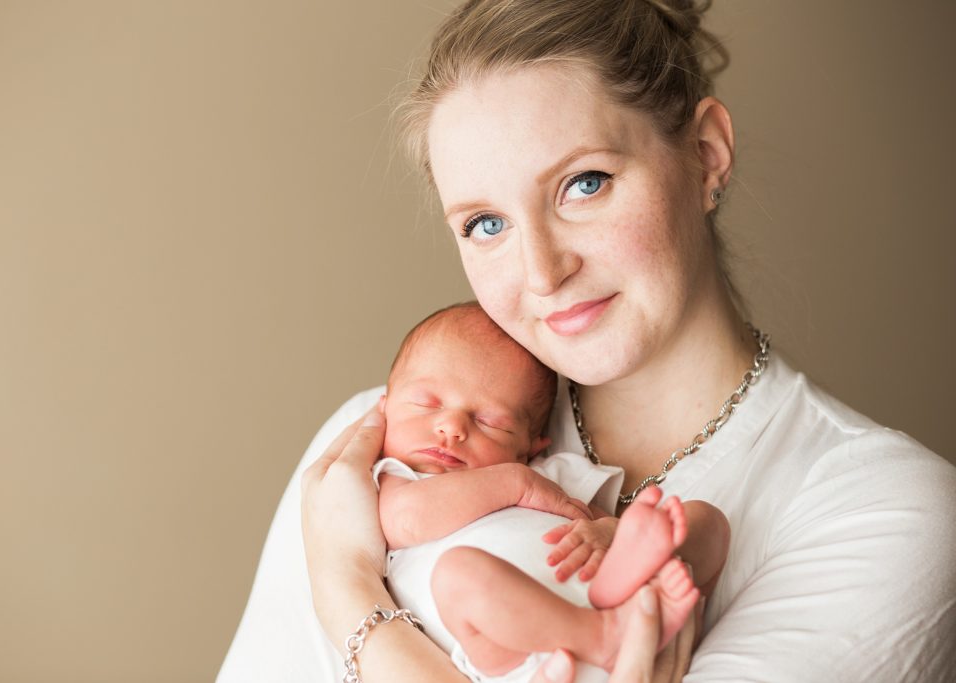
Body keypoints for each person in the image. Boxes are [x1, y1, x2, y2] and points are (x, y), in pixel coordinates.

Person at [217, 1, 956, 681]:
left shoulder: (882, 510)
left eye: (585, 183)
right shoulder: (384, 440)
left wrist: (345, 587)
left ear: (706, 154)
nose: (541, 271)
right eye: (485, 224)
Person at [372, 302, 730, 681]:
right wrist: (516, 484)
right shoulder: (396, 476)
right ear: (384, 408)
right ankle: (601, 635)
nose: (451, 426)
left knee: (708, 521)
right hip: (516, 653)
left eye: (489, 422)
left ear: (531, 446)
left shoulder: (551, 476)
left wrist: (608, 532)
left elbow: (592, 520)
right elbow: (406, 521)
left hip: (609, 597)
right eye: (426, 404)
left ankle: (626, 603)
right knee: (457, 575)